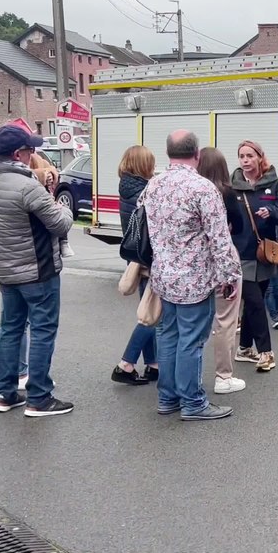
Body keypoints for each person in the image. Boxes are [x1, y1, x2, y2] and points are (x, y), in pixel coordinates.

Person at [141, 130, 241, 420]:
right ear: (196, 154)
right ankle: (193, 402)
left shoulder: (153, 184)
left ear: (168, 153)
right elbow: (219, 238)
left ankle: (167, 397)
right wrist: (229, 277)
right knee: (191, 341)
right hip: (194, 279)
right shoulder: (203, 189)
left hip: (163, 277)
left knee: (169, 337)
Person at [0, 125, 74, 417]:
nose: (33, 155)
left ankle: (5, 393)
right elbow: (60, 223)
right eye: (30, 150)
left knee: (11, 329)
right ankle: (39, 397)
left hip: (6, 271)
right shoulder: (27, 186)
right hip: (38, 270)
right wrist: (65, 208)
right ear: (18, 154)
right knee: (43, 330)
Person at [230, 139, 278, 373]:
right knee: (255, 303)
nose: (245, 160)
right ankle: (266, 352)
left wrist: (272, 211)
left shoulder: (274, 184)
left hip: (265, 253)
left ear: (259, 157)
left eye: (250, 156)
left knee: (253, 303)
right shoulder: (232, 186)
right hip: (240, 253)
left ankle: (244, 348)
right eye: (241, 156)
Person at [198, 147, 246, 395]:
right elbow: (239, 226)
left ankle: (188, 378)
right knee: (225, 321)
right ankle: (223, 376)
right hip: (223, 261)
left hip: (195, 263)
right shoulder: (227, 193)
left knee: (193, 321)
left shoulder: (191, 191)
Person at [111, 145, 158, 386]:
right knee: (152, 314)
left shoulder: (127, 187)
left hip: (136, 256)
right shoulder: (144, 192)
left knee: (146, 310)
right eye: (151, 162)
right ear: (143, 165)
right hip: (148, 258)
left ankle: (153, 364)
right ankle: (126, 364)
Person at [30, 152, 74, 258]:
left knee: (57, 212)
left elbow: (51, 169)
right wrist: (42, 175)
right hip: (33, 200)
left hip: (44, 196)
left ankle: (63, 241)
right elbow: (20, 176)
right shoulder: (17, 160)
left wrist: (50, 174)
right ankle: (63, 242)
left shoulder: (38, 157)